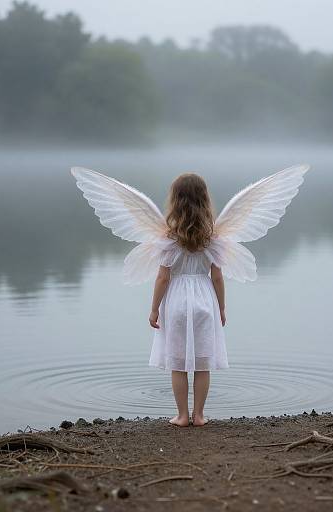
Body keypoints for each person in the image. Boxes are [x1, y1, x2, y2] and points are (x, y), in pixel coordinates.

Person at [71, 164, 309, 427]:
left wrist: (153, 310)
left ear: (174, 202)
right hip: (205, 301)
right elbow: (217, 277)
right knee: (203, 363)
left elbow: (162, 277)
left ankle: (182, 416)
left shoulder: (168, 240)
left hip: (176, 303)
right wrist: (221, 308)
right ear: (205, 201)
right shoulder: (213, 239)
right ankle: (200, 415)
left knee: (178, 364)